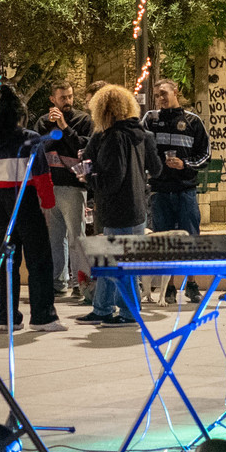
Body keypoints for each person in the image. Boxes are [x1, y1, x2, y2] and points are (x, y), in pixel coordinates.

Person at [0, 88, 64, 333]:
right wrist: (47, 206)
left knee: (8, 260)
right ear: (21, 115)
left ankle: (7, 317)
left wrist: (0, 201)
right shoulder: (29, 137)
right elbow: (42, 175)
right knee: (39, 259)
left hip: (0, 201)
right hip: (24, 198)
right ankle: (42, 316)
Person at [80, 83, 157, 326]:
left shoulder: (114, 137)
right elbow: (156, 168)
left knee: (120, 265)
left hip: (118, 210)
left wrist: (89, 178)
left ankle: (127, 312)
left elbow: (112, 179)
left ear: (104, 110)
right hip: (137, 208)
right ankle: (102, 308)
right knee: (112, 262)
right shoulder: (142, 134)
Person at [142, 77, 209, 304]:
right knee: (163, 241)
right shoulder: (150, 119)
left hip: (185, 190)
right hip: (160, 190)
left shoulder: (193, 121)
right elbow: (140, 149)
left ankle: (191, 284)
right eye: (157, 95)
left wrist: (185, 164)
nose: (160, 98)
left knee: (190, 239)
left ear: (175, 92)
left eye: (164, 93)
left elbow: (205, 155)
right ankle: (168, 287)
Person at [39, 81, 93, 302]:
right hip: (51, 187)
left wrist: (64, 128)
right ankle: (57, 282)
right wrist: (55, 132)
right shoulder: (43, 122)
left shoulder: (83, 120)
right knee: (55, 238)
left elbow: (83, 149)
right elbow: (40, 148)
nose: (68, 101)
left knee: (76, 238)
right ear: (53, 99)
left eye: (70, 97)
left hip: (74, 187)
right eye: (63, 98)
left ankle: (80, 284)